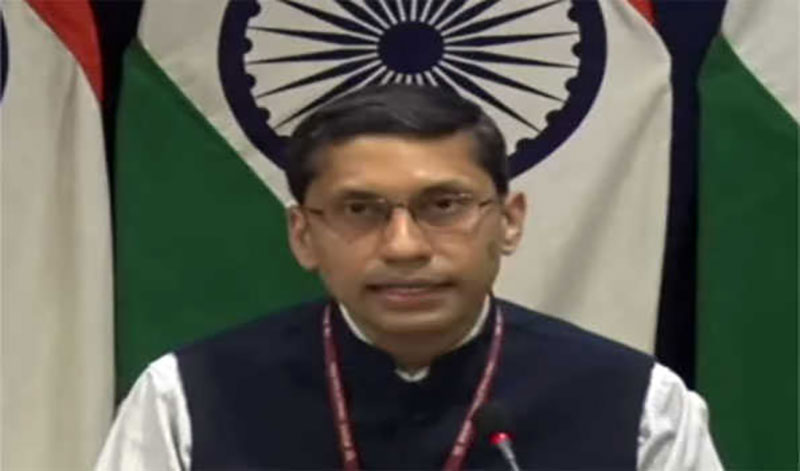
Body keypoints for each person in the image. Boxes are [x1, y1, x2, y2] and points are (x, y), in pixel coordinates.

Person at [95, 84, 723, 470]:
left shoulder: (637, 404)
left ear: (509, 221)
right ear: (303, 235)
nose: (404, 247)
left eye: (444, 205)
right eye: (359, 210)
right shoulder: (187, 399)